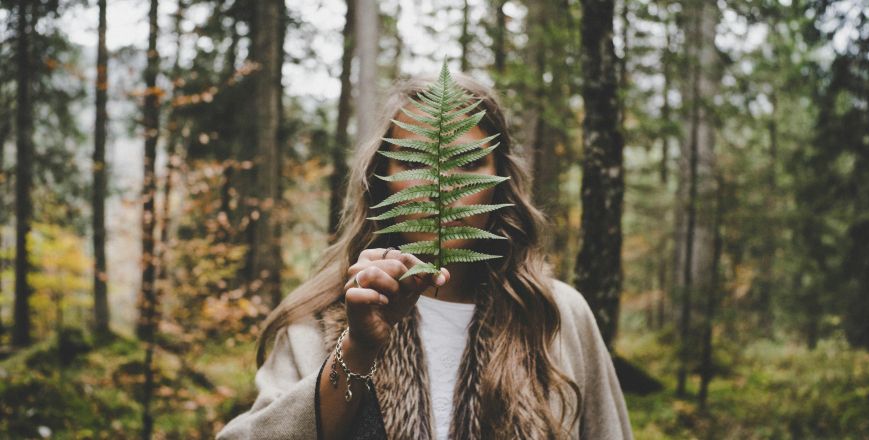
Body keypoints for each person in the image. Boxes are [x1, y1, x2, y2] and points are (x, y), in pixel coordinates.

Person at [216, 74, 633, 440]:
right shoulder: (323, 315)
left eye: (468, 162)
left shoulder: (555, 315)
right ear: (382, 180)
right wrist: (357, 349)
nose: (441, 185)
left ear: (500, 183)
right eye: (416, 162)